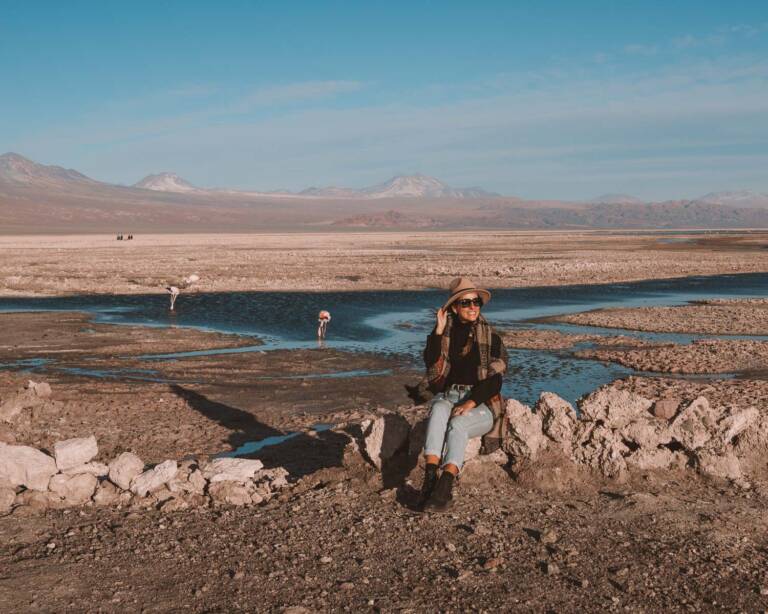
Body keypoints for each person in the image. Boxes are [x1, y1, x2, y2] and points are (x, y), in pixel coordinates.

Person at [418, 277, 508, 512]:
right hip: (450, 396)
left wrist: (470, 402)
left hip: (483, 404)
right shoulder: (445, 335)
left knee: (458, 423)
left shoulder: (492, 339)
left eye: (476, 302)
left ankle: (445, 486)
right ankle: (429, 479)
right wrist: (437, 332)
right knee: (438, 409)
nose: (472, 307)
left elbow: (495, 380)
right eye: (465, 303)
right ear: (455, 308)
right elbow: (431, 366)